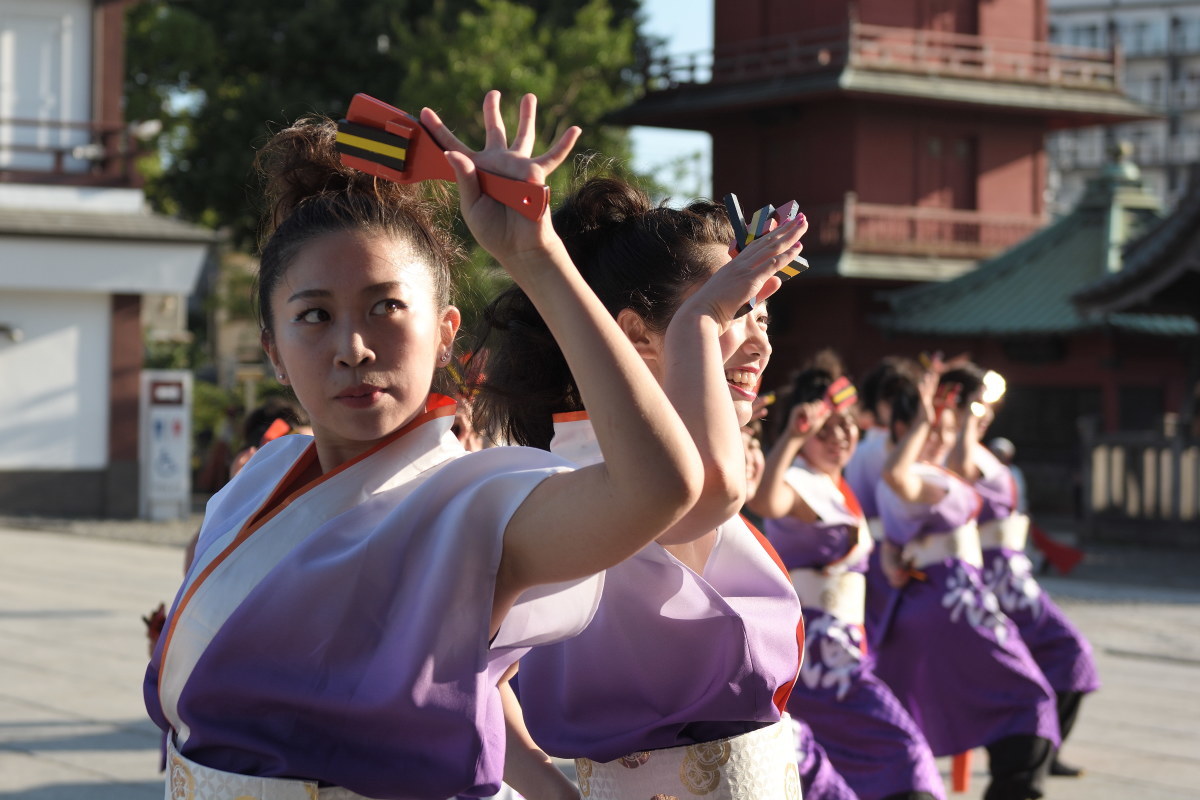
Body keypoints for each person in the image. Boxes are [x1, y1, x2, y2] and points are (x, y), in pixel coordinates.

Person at [143, 91, 707, 800]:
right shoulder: (254, 485)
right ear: (274, 352)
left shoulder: (473, 501)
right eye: (313, 316)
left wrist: (536, 257)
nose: (352, 347)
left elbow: (658, 488)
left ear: (445, 332)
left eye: (386, 308)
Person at [471, 176, 809, 798]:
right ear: (636, 332)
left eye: (763, 315)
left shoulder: (580, 463)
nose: (761, 342)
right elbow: (709, 490)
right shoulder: (588, 475)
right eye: (737, 311)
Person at [750, 355, 944, 800]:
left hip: (845, 643)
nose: (840, 437)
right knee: (903, 752)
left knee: (846, 766)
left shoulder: (837, 485)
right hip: (822, 655)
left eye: (846, 426)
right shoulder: (800, 481)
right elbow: (765, 499)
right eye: (825, 430)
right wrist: (791, 441)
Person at [872, 366, 1060, 800]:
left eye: (945, 428)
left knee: (909, 720)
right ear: (906, 428)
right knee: (1029, 700)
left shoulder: (933, 474)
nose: (940, 435)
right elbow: (894, 480)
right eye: (931, 429)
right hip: (950, 602)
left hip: (949, 598)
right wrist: (923, 423)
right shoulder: (912, 474)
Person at [943, 367, 1100, 779]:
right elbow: (958, 474)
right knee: (1030, 670)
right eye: (976, 402)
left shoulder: (985, 450)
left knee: (1070, 653)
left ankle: (1045, 748)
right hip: (987, 578)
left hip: (1015, 571)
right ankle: (1029, 754)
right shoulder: (951, 447)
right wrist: (964, 426)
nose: (985, 411)